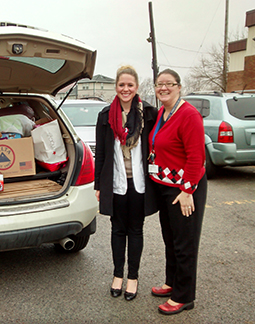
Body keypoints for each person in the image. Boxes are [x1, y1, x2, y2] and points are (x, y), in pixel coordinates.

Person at [94, 65, 158, 301]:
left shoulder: (148, 114)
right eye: (122, 85)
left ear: (137, 87)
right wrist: (98, 185)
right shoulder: (105, 116)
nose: (126, 89)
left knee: (136, 229)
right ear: (116, 87)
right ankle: (117, 275)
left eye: (130, 85)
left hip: (140, 183)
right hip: (116, 182)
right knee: (117, 229)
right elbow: (100, 153)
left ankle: (133, 277)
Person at [148, 69, 207, 315]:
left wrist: (187, 190)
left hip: (184, 190)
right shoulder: (164, 111)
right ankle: (172, 282)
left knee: (185, 243)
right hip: (166, 186)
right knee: (170, 240)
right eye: (159, 84)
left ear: (179, 87)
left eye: (169, 84)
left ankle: (184, 296)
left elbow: (196, 157)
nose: (163, 88)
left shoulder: (189, 115)